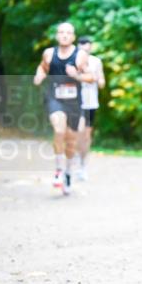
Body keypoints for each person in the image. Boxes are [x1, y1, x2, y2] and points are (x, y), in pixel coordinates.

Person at [33, 22, 92, 195]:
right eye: (61, 32)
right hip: (54, 98)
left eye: (68, 33)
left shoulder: (80, 56)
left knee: (71, 139)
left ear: (73, 37)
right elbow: (42, 68)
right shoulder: (49, 54)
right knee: (59, 130)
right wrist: (39, 75)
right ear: (57, 36)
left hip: (74, 102)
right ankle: (58, 170)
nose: (65, 35)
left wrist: (77, 75)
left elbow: (91, 77)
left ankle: (67, 172)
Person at [76, 36, 105, 181]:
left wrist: (97, 79)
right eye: (82, 49)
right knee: (79, 131)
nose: (84, 51)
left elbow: (101, 81)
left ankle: (82, 165)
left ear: (91, 48)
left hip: (90, 102)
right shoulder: (72, 61)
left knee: (86, 135)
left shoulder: (96, 62)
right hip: (74, 102)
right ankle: (74, 158)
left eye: (87, 49)